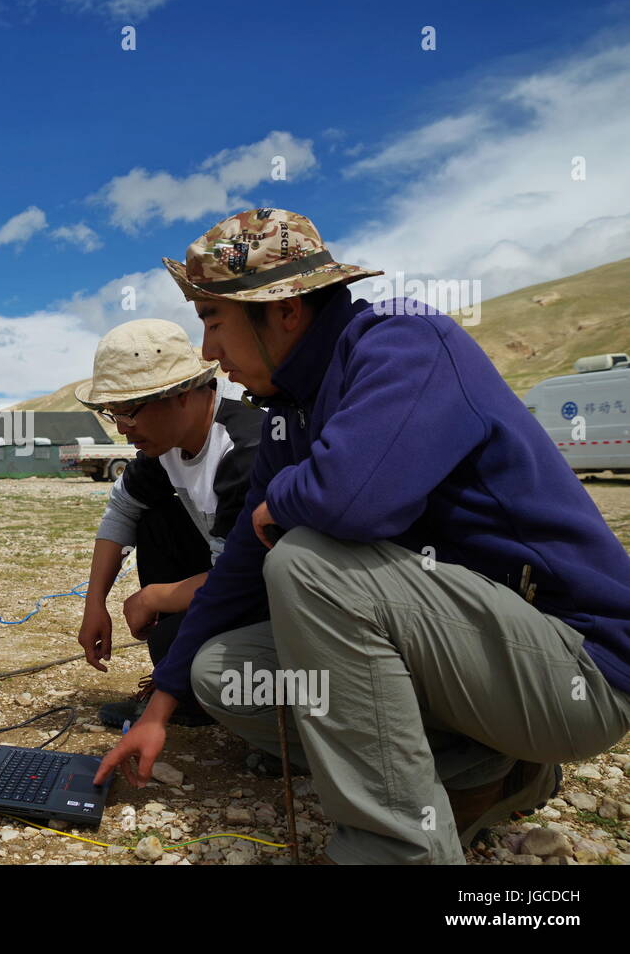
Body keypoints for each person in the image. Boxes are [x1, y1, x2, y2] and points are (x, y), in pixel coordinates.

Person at [93, 207, 630, 864]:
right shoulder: (290, 412)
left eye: (213, 322)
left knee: (306, 562)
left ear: (285, 310)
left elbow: (352, 500)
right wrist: (162, 706)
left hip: (578, 670)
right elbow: (238, 568)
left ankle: (394, 852)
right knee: (223, 672)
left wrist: (280, 503)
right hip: (483, 667)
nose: (208, 353)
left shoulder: (404, 345)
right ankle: (490, 770)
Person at [73, 319, 263, 728]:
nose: (124, 432)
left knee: (167, 636)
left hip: (274, 595)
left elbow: (241, 577)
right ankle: (185, 678)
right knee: (155, 517)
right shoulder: (165, 444)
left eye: (129, 413)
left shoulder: (244, 447)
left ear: (180, 395)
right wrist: (95, 606)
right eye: (113, 415)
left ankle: (219, 700)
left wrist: (153, 599)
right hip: (228, 572)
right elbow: (121, 509)